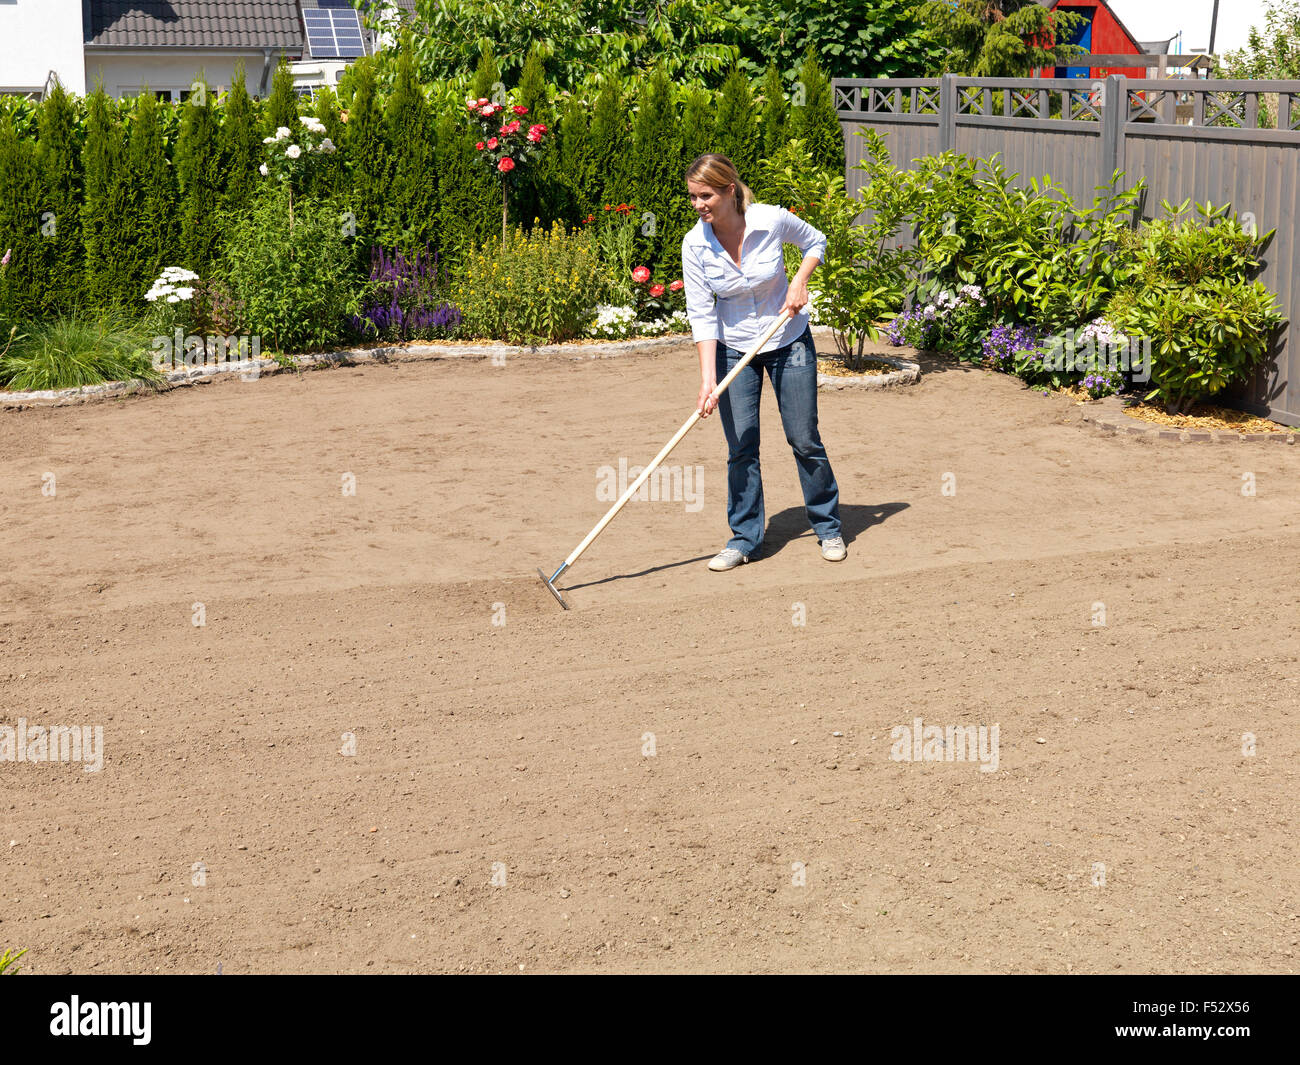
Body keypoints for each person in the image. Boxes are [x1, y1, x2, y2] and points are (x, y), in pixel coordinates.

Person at [681, 152, 845, 571]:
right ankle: (744, 538)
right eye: (694, 198)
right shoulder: (695, 244)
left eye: (706, 196)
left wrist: (799, 281)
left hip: (788, 340)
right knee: (741, 447)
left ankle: (828, 527)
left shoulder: (770, 220)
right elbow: (701, 314)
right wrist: (706, 381)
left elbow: (816, 241)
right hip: (735, 348)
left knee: (804, 438)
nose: (699, 205)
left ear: (729, 190)